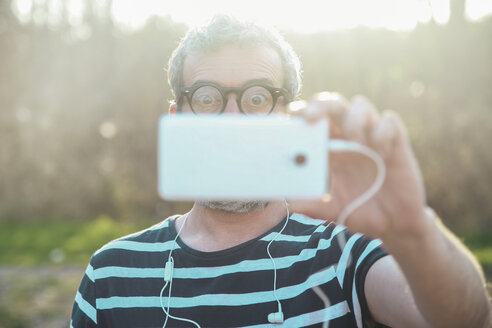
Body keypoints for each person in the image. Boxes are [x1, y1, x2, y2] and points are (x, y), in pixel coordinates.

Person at [71, 15, 490, 328]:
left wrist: (412, 230)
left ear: (290, 116)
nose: (232, 120)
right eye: (207, 97)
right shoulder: (111, 274)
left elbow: (468, 321)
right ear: (177, 116)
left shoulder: (343, 253)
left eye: (257, 98)